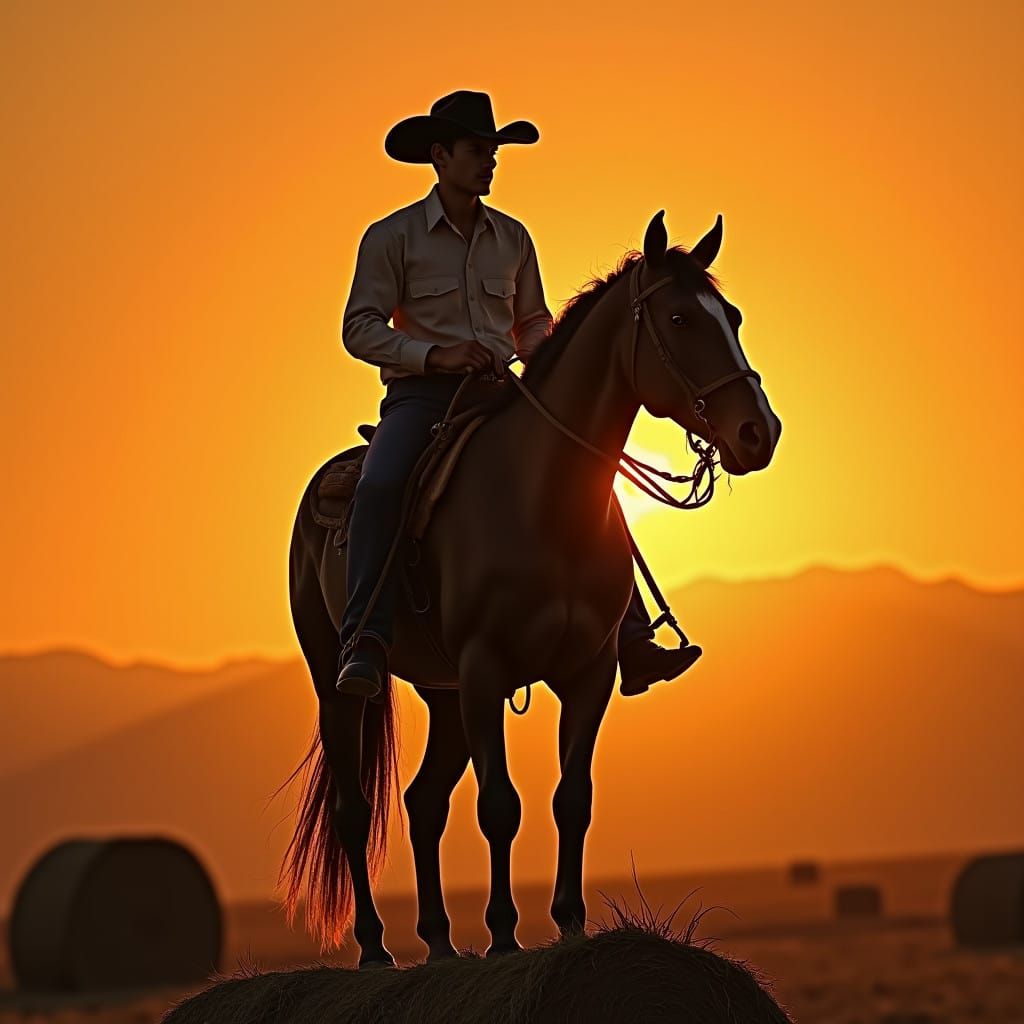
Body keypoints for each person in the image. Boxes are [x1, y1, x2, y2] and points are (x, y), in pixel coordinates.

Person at [335, 90, 702, 700]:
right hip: (422, 400)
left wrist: (547, 353)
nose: (491, 162)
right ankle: (365, 638)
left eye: (495, 152)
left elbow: (531, 320)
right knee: (380, 483)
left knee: (589, 478)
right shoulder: (392, 237)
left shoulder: (514, 238)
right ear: (439, 155)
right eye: (479, 150)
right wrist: (435, 354)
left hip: (502, 391)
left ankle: (630, 637)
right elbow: (360, 327)